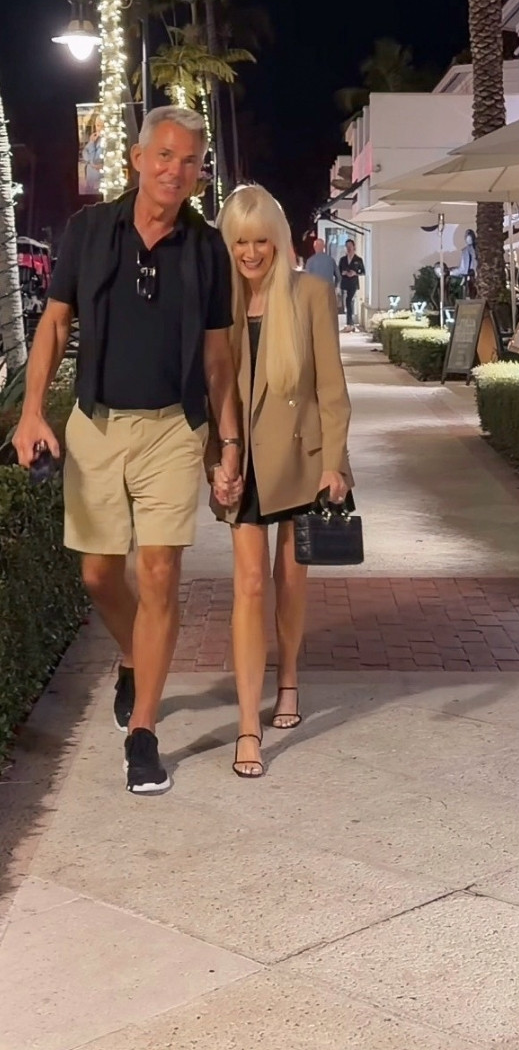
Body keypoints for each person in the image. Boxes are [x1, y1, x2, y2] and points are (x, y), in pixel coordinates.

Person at [13, 105, 241, 796]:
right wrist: (30, 414)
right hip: (96, 425)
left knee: (162, 572)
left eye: (190, 161)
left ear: (200, 174)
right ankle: (136, 661)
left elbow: (219, 362)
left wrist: (224, 445)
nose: (176, 170)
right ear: (138, 159)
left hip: (174, 428)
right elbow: (53, 328)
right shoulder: (88, 233)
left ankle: (143, 734)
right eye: (164, 156)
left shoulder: (207, 251)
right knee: (99, 577)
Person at [213, 184, 352, 778]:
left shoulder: (311, 294)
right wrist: (215, 462)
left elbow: (332, 390)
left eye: (260, 241)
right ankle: (249, 725)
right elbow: (211, 391)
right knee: (248, 585)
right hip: (240, 466)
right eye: (240, 241)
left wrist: (334, 463)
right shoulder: (218, 306)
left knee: (288, 580)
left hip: (299, 460)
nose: (250, 253)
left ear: (278, 240)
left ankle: (288, 678)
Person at [338, 238, 366, 332]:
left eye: (350, 246)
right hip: (345, 283)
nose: (348, 248)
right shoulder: (342, 259)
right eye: (347, 246)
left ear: (354, 247)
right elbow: (339, 271)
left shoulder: (358, 259)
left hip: (353, 283)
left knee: (349, 301)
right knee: (347, 303)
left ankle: (350, 323)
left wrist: (355, 273)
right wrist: (344, 273)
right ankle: (350, 324)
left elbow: (363, 271)